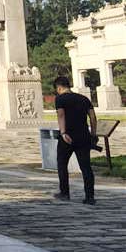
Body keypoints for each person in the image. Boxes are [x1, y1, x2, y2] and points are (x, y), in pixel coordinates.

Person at [53, 75, 96, 205]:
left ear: (59, 88)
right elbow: (93, 118)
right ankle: (90, 196)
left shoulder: (60, 99)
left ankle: (64, 193)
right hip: (83, 136)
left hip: (68, 136)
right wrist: (93, 135)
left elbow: (61, 115)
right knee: (86, 167)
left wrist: (63, 132)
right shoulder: (84, 99)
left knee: (62, 164)